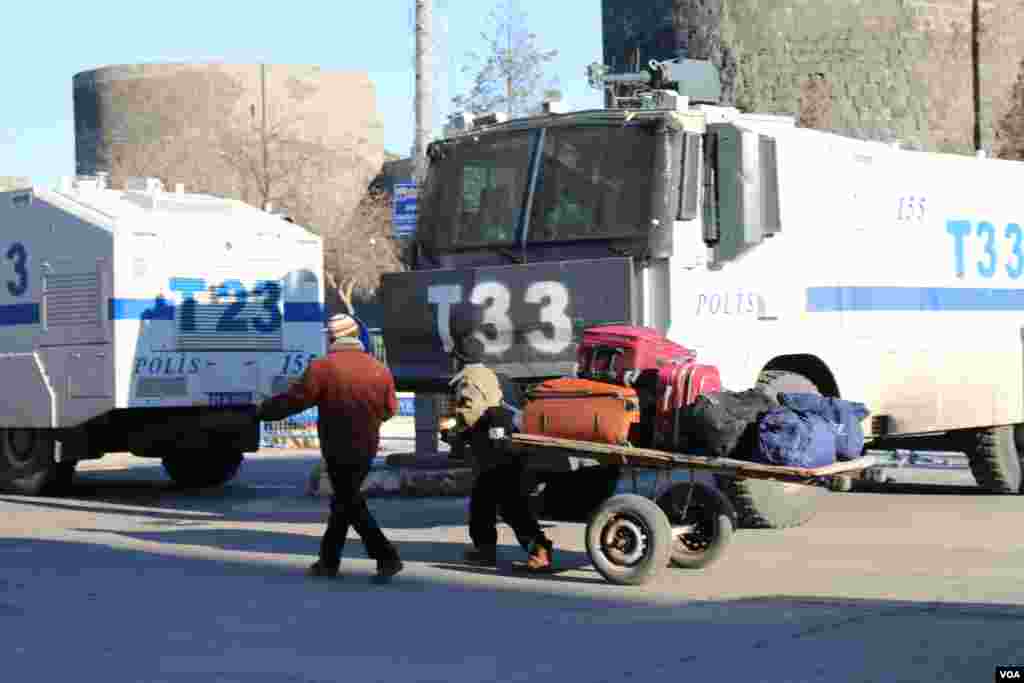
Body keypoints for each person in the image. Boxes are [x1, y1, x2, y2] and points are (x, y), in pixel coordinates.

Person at [257, 313, 403, 582]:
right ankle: (328, 562)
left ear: (333, 337)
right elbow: (390, 409)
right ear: (356, 336)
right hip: (367, 445)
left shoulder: (323, 367)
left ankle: (386, 556)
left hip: (337, 445)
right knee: (343, 502)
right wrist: (369, 422)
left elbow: (295, 400)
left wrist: (262, 411)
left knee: (348, 502)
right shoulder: (378, 368)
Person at [446, 305, 554, 571]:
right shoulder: (489, 374)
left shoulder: (467, 380)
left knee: (506, 506)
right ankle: (487, 550)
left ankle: (538, 550)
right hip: (504, 447)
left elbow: (469, 417)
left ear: (460, 358)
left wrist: (453, 432)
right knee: (486, 505)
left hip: (491, 452)